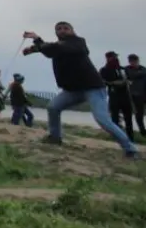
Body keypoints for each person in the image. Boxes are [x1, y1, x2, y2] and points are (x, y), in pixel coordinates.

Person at [23, 24, 139, 158]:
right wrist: (35, 47)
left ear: (73, 31)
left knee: (102, 119)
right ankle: (55, 138)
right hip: (73, 90)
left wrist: (37, 41)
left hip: (93, 88)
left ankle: (130, 148)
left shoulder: (79, 43)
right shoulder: (57, 47)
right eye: (59, 29)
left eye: (66, 28)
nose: (62, 30)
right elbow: (50, 50)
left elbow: (58, 48)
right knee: (53, 107)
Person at [101, 52, 137, 143]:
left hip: (125, 96)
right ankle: (117, 138)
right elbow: (102, 82)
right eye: (114, 57)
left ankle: (130, 138)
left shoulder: (122, 69)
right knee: (115, 119)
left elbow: (129, 79)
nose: (116, 59)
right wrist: (113, 83)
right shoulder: (104, 70)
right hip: (114, 96)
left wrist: (126, 82)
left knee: (128, 118)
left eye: (116, 57)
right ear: (108, 58)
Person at [126, 55, 146, 137]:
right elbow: (131, 75)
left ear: (137, 60)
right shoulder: (127, 69)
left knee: (140, 114)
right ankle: (143, 132)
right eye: (131, 61)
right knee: (139, 114)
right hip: (135, 95)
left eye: (135, 61)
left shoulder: (143, 68)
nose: (133, 63)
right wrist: (138, 74)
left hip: (144, 93)